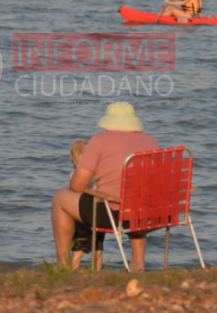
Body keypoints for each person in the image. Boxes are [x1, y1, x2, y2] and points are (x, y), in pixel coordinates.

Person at [51, 102, 159, 272]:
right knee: (137, 200)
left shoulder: (100, 140)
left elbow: (77, 185)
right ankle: (138, 262)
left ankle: (63, 265)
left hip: (114, 215)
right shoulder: (150, 141)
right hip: (150, 214)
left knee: (61, 197)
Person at [68, 139, 104, 271]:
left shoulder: (75, 175)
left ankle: (74, 267)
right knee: (98, 245)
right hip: (100, 215)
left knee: (80, 244)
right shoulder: (99, 175)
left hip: (83, 215)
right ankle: (97, 270)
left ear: (73, 159)